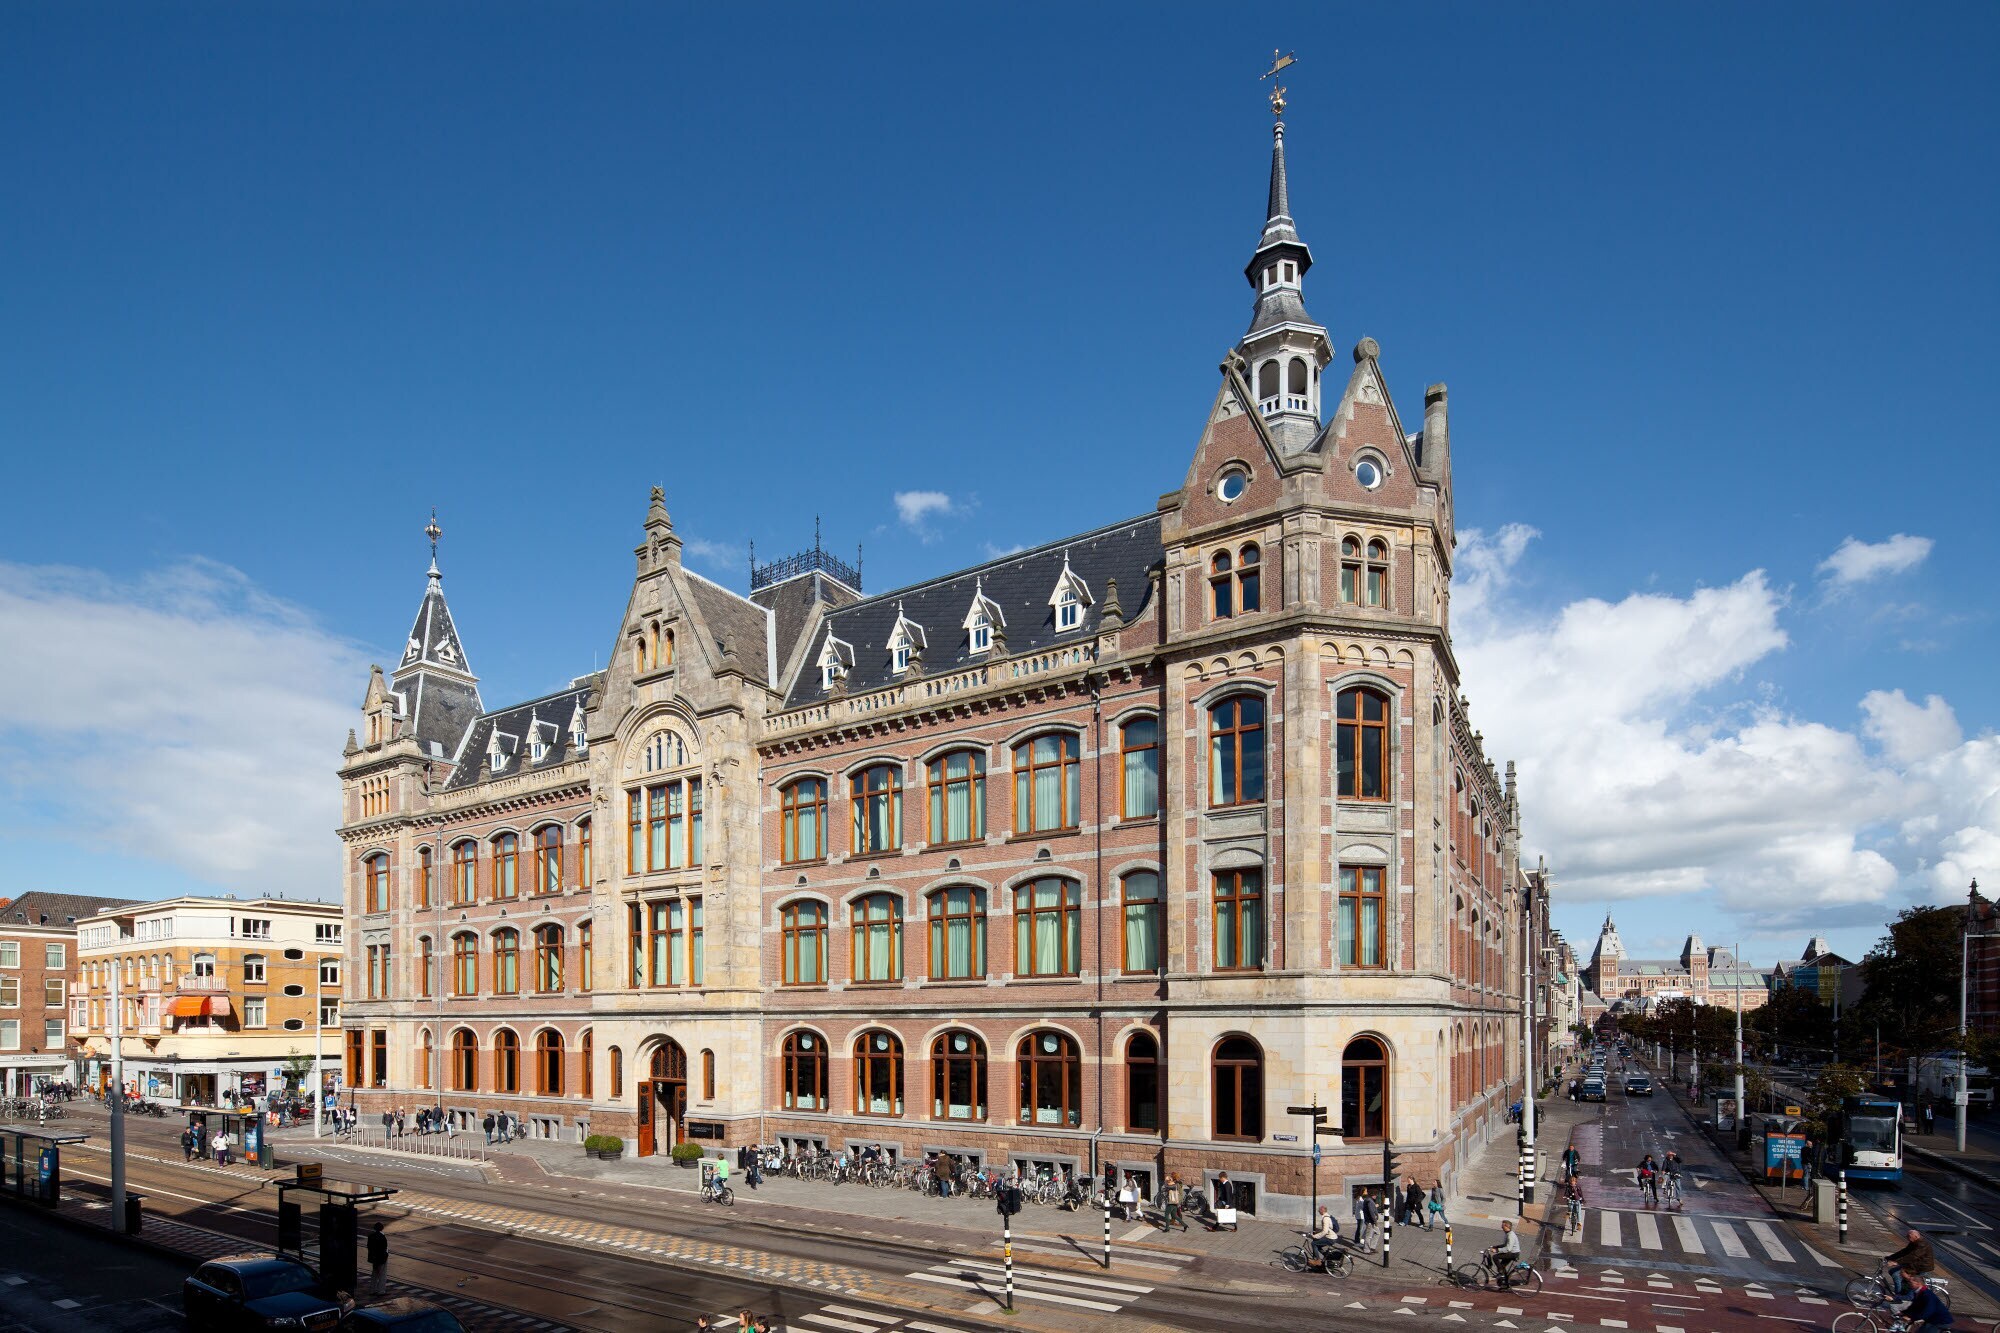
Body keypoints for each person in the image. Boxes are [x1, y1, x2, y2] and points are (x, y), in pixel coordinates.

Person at [1885, 1228, 1935, 1298]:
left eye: (1909, 1237)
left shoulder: (1922, 1244)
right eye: (1907, 1236)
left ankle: (1899, 1296)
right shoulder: (1914, 1242)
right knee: (1892, 1271)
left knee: (1896, 1274)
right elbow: (1905, 1251)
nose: (1908, 1238)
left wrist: (1897, 1262)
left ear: (1916, 1236)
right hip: (1914, 1264)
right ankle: (1904, 1290)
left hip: (1921, 1267)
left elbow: (1913, 1256)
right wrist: (1890, 1257)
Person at [367, 1222, 389, 1298]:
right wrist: (386, 1256)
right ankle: (381, 1291)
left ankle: (372, 1290)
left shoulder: (371, 1236)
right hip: (381, 1259)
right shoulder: (382, 1237)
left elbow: (369, 1247)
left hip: (374, 1258)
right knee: (382, 1275)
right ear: (382, 1228)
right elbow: (384, 1248)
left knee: (374, 1274)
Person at [1359, 1188, 1380, 1252]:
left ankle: (1372, 1247)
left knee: (1377, 1233)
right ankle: (1366, 1250)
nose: (1376, 1196)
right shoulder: (1369, 1201)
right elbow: (1371, 1212)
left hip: (1371, 1221)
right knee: (1368, 1236)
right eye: (1375, 1195)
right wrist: (1375, 1221)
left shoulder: (1368, 1200)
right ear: (1372, 1195)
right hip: (1370, 1221)